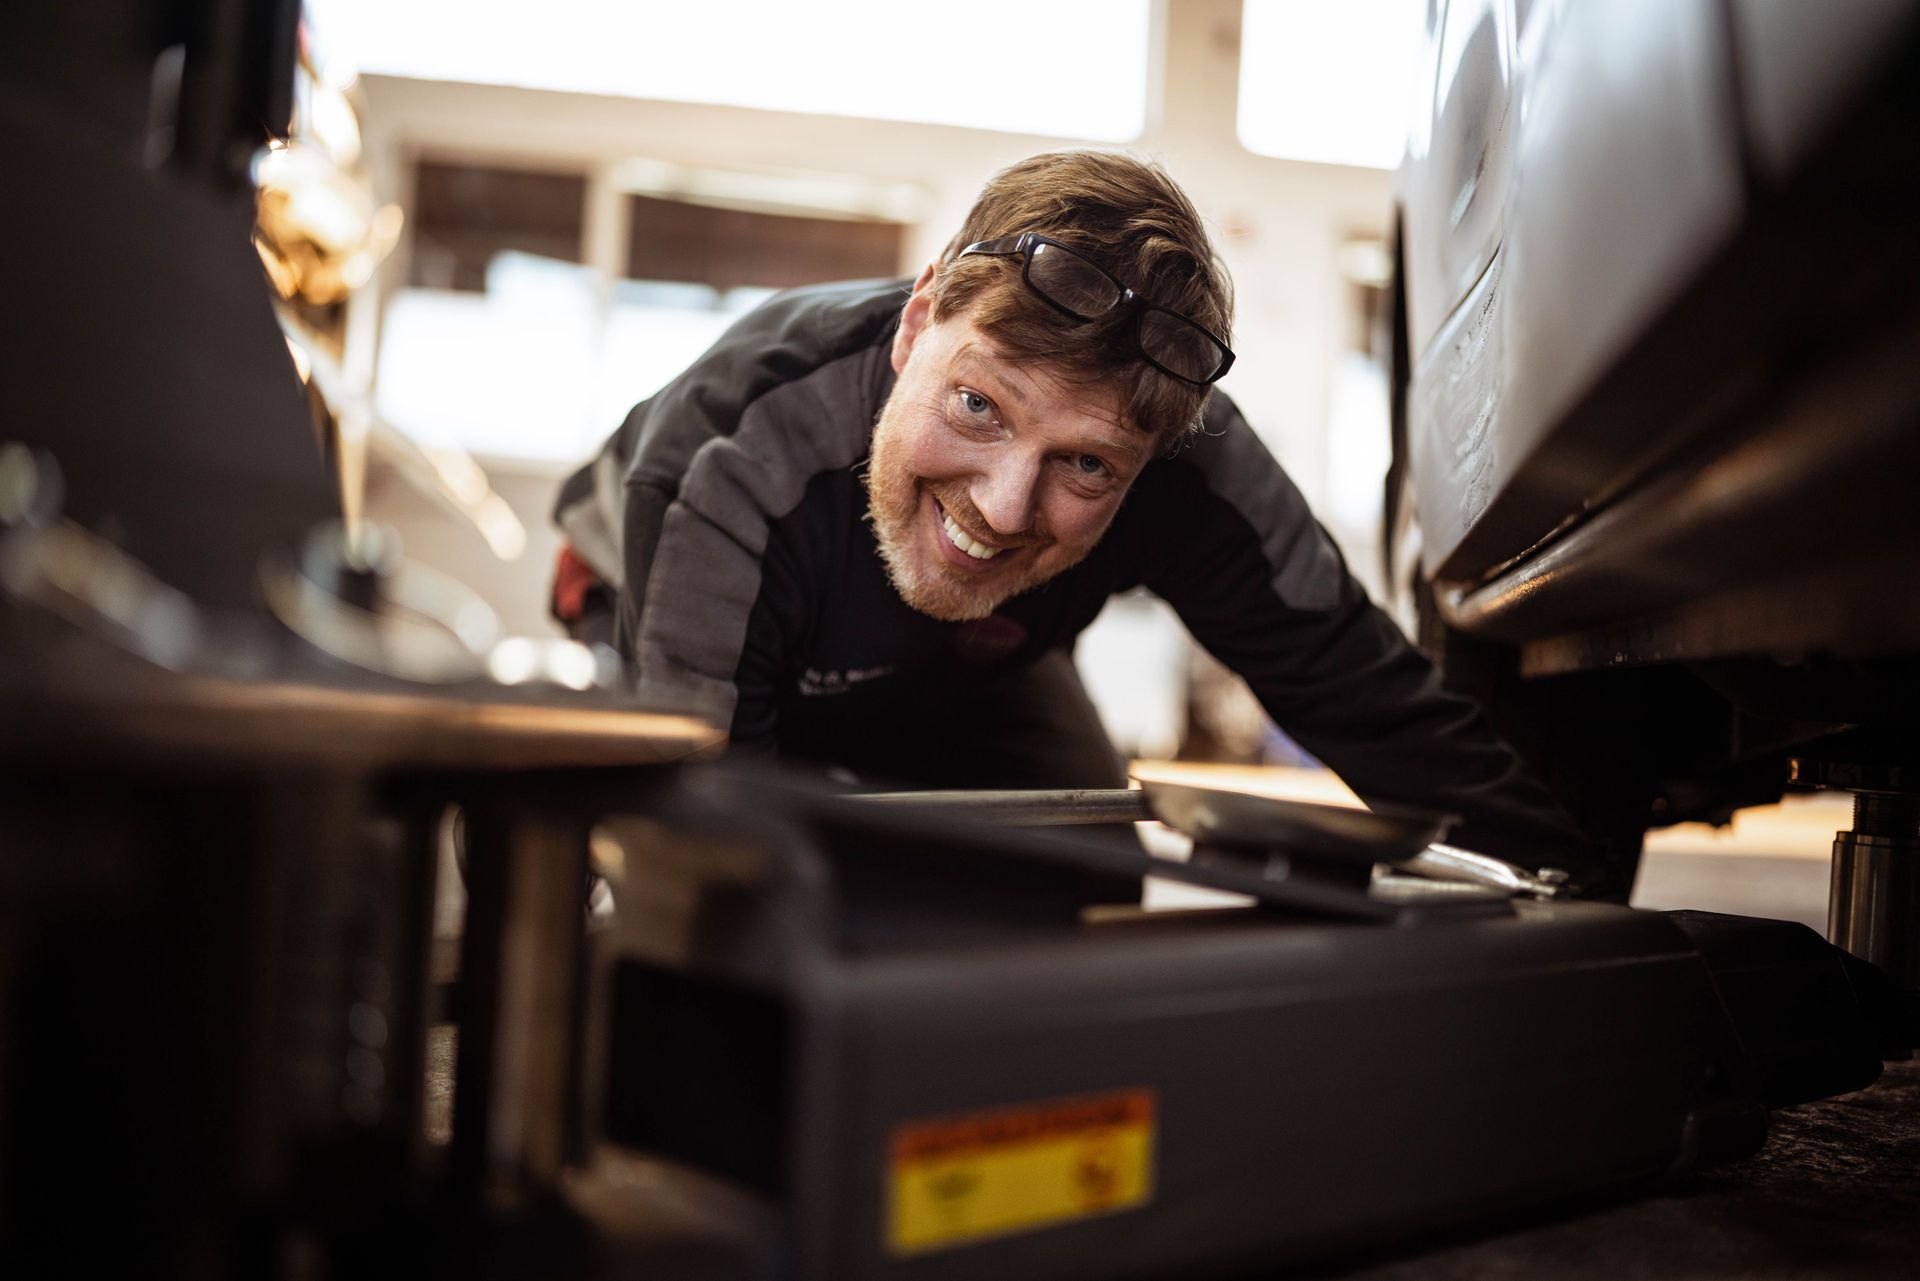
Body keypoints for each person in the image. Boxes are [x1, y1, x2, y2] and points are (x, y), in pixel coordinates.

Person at [552, 151, 1624, 895]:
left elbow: (1369, 698)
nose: (1002, 507)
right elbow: (706, 839)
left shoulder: (1197, 466)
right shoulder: (731, 451)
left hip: (962, 655)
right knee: (638, 872)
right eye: (978, 404)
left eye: (1086, 465)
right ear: (920, 320)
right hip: (652, 627)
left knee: (1076, 877)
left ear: (1150, 458)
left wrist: (1581, 908)